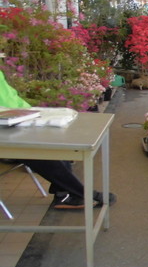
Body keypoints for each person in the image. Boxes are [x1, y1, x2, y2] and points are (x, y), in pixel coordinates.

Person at [0, 70, 116, 210]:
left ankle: (65, 193)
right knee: (39, 152)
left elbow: (10, 99)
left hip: (15, 120)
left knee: (57, 141)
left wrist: (31, 114)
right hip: (8, 127)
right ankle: (79, 193)